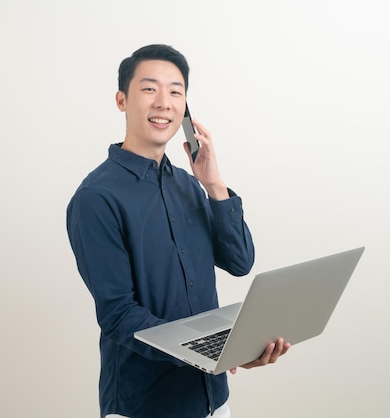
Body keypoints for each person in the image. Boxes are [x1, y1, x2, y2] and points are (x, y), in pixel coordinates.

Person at [66, 44, 290, 418]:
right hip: (145, 405)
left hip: (213, 400)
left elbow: (240, 261)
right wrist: (211, 350)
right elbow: (119, 315)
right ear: (122, 100)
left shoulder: (189, 185)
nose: (164, 103)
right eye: (149, 89)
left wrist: (215, 186)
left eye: (176, 91)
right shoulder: (96, 198)